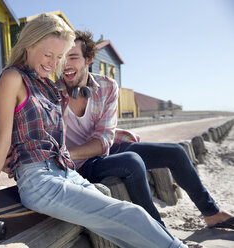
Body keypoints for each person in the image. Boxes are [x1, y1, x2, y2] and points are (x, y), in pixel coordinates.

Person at [0, 14, 188, 248]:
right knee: (128, 214)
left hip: (66, 171)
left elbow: (56, 137)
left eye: (58, 57)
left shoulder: (48, 84)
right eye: (48, 54)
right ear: (28, 44)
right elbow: (4, 138)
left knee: (115, 225)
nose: (52, 63)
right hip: (39, 181)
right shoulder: (13, 78)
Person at [56, 30, 234, 229]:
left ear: (88, 59)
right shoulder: (51, 92)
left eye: (73, 57)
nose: (66, 65)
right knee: (132, 162)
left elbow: (103, 140)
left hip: (101, 150)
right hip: (78, 164)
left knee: (175, 152)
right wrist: (63, 154)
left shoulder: (107, 86)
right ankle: (158, 232)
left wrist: (117, 135)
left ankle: (212, 213)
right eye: (62, 58)